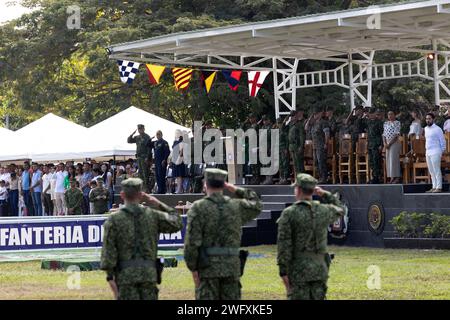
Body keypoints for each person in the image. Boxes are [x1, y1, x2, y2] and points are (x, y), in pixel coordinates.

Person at [184, 168, 263, 300]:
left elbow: (191, 243)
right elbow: (257, 204)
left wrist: (193, 269)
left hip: (207, 269)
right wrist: (235, 189)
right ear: (224, 185)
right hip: (231, 268)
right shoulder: (236, 206)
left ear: (205, 184)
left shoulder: (198, 208)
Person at [100, 178, 183, 300]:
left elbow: (108, 258)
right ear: (141, 195)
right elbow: (177, 222)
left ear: (122, 195)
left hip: (125, 278)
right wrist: (157, 203)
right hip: (148, 276)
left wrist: (112, 284)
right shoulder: (153, 215)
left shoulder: (113, 220)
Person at [277, 173, 344, 300]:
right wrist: (324, 194)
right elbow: (340, 209)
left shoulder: (289, 213)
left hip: (298, 270)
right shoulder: (323, 210)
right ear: (312, 190)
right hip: (319, 269)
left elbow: (283, 245)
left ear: (298, 190)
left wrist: (283, 272)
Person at [305, 107, 329, 184]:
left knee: (321, 162)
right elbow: (306, 128)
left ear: (320, 114)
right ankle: (320, 177)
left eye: (315, 114)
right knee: (316, 163)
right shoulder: (314, 123)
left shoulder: (323, 122)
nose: (314, 115)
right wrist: (310, 119)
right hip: (315, 146)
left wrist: (326, 143)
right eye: (314, 114)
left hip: (321, 145)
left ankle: (324, 177)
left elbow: (327, 134)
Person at [424, 113, 446, 193]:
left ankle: (439, 187)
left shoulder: (438, 129)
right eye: (426, 119)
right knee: (431, 171)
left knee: (436, 170)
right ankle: (434, 186)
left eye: (429, 118)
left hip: (436, 151)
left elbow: (442, 141)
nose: (427, 120)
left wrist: (442, 151)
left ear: (433, 119)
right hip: (428, 152)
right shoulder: (425, 129)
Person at [127, 124, 153, 193]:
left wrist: (147, 157)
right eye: (139, 129)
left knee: (145, 173)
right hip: (139, 157)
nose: (140, 130)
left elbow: (149, 148)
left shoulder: (147, 137)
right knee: (140, 173)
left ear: (144, 129)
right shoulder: (137, 137)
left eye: (141, 129)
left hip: (144, 157)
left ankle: (146, 188)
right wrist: (132, 134)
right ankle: (142, 188)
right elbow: (129, 141)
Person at [364, 109, 384, 184]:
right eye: (370, 113)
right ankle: (374, 177)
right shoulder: (368, 122)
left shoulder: (379, 122)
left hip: (376, 144)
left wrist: (381, 145)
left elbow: (382, 134)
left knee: (376, 161)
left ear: (375, 114)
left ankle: (377, 177)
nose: (370, 114)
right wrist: (364, 116)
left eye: (372, 113)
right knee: (371, 161)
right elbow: (359, 124)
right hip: (370, 144)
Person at [383, 111, 402, 184]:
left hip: (394, 143)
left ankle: (396, 177)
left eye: (391, 114)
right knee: (388, 160)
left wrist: (389, 143)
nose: (390, 116)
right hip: (387, 143)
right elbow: (384, 134)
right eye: (388, 114)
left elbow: (396, 134)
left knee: (394, 159)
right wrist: (385, 143)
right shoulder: (386, 123)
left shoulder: (397, 123)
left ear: (394, 115)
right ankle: (391, 177)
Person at [288, 110, 306, 177]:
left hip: (297, 146)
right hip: (292, 146)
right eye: (291, 116)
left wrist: (301, 147)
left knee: (299, 164)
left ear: (296, 116)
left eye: (293, 116)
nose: (292, 118)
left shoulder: (299, 125)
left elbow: (302, 136)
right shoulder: (291, 124)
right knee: (295, 164)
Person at [277, 116, 290, 185]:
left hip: (284, 148)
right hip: (279, 148)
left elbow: (287, 140)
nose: (279, 124)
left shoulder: (284, 130)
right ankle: (281, 178)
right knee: (280, 164)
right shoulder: (278, 130)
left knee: (285, 164)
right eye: (278, 123)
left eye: (280, 123)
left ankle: (285, 178)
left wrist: (286, 148)